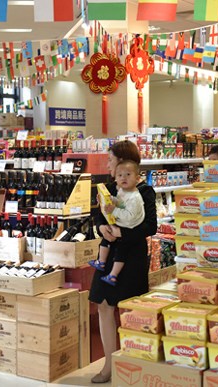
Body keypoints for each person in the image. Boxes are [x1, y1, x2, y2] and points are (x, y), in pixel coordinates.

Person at [88, 140, 157, 384]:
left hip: (132, 256)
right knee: (104, 306)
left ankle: (135, 361)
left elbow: (151, 226)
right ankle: (109, 364)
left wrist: (122, 233)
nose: (107, 164)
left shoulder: (144, 191)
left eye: (110, 159)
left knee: (131, 309)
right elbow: (96, 217)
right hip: (107, 256)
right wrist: (102, 228)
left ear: (124, 161)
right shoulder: (106, 188)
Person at [89, 160, 145, 287]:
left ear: (137, 178)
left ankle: (113, 275)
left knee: (121, 251)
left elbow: (130, 216)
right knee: (106, 240)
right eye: (120, 175)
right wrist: (108, 200)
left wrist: (114, 210)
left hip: (129, 224)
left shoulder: (136, 197)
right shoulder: (124, 192)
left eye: (128, 175)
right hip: (121, 223)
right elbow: (121, 203)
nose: (123, 178)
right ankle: (101, 262)